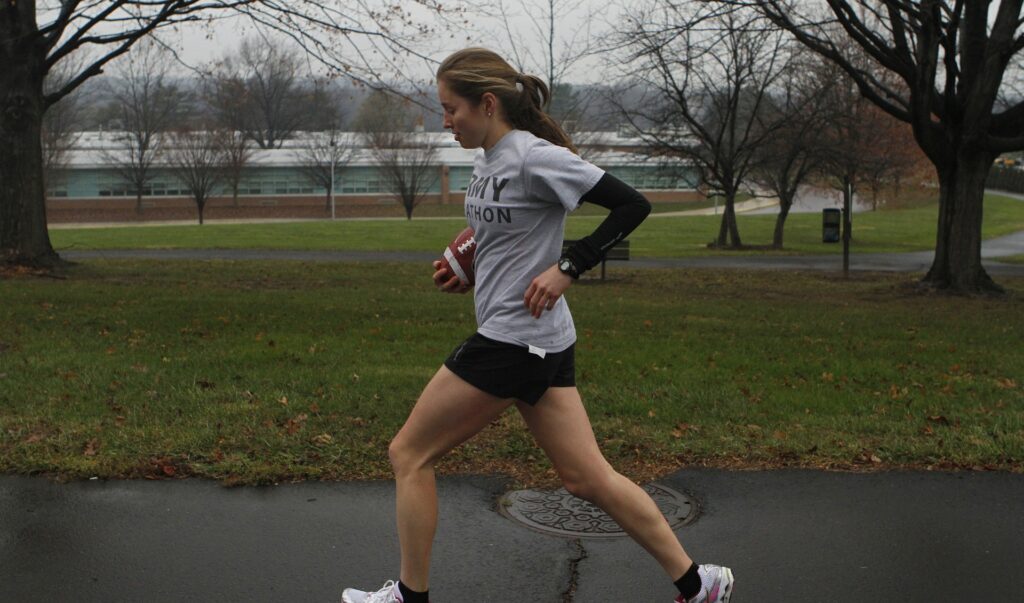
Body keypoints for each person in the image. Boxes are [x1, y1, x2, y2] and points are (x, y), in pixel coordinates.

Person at [342, 48, 733, 603]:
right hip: (541, 340)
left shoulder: (533, 156)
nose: (445, 120)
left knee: (409, 454)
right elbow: (504, 226)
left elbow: (631, 204)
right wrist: (469, 262)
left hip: (512, 339)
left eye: (450, 109)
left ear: (488, 102)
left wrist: (569, 266)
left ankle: (409, 598)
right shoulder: (488, 160)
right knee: (588, 479)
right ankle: (700, 585)